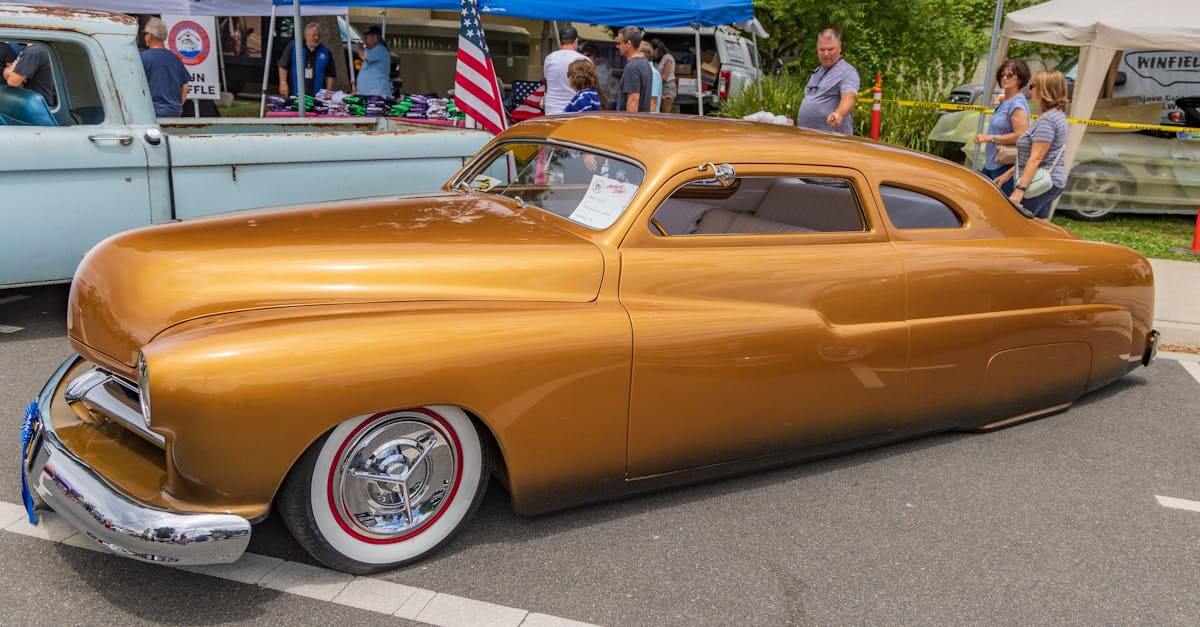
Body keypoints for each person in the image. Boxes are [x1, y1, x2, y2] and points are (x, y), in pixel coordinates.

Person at [995, 70, 1070, 219]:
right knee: (1038, 227)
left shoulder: (1047, 121)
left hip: (1039, 184)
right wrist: (1008, 174)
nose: (1030, 89)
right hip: (1048, 181)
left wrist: (1019, 190)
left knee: (1015, 224)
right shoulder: (1057, 115)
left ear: (1044, 90)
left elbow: (1036, 158)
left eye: (1032, 86)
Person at [974, 59, 1030, 195]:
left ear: (1020, 79)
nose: (1004, 78)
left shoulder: (1017, 104)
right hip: (992, 162)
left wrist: (989, 138)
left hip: (1004, 164)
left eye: (1010, 75)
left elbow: (1021, 135)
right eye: (1002, 75)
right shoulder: (1006, 100)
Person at [796, 28, 859, 134]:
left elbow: (850, 96)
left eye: (830, 49)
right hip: (808, 137)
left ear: (839, 48)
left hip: (832, 141)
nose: (825, 54)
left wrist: (838, 114)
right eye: (822, 49)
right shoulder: (817, 71)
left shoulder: (847, 72)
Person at [139, 18, 191, 117]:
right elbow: (185, 87)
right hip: (175, 113)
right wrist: (178, 106)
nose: (144, 36)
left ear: (150, 35)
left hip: (152, 114)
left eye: (144, 33)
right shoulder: (175, 58)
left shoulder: (142, 58)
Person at [277, 22, 337, 98]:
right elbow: (283, 66)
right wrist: (283, 83)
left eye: (318, 35)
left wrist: (329, 92)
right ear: (306, 36)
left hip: (317, 96)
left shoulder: (325, 52)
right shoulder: (293, 47)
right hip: (295, 94)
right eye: (314, 35)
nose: (316, 37)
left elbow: (331, 75)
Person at [542, 26, 588, 115]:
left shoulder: (550, 58)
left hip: (552, 109)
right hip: (575, 109)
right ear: (576, 41)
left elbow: (546, 79)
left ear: (560, 42)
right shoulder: (584, 60)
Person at [3, 41, 56, 107]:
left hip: (37, 106)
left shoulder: (33, 52)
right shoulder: (37, 49)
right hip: (37, 103)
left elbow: (13, 82)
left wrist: (7, 70)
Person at [615, 26, 653, 113]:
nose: (617, 46)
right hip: (642, 121)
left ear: (628, 44)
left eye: (619, 43)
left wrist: (629, 125)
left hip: (632, 123)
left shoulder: (632, 67)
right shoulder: (645, 63)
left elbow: (633, 100)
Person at [355, 26, 392, 97]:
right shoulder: (368, 50)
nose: (364, 41)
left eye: (366, 38)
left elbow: (365, 58)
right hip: (366, 93)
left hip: (377, 93)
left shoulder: (381, 50)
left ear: (375, 38)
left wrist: (359, 48)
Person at [581, 42, 619, 111]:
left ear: (596, 59)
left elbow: (610, 105)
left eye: (588, 55)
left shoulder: (613, 83)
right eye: (583, 56)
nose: (585, 59)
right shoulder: (581, 75)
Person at [651, 39, 676, 113]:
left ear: (657, 49)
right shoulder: (659, 60)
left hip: (668, 88)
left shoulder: (668, 57)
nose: (651, 53)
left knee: (665, 114)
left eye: (651, 50)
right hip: (662, 87)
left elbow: (664, 76)